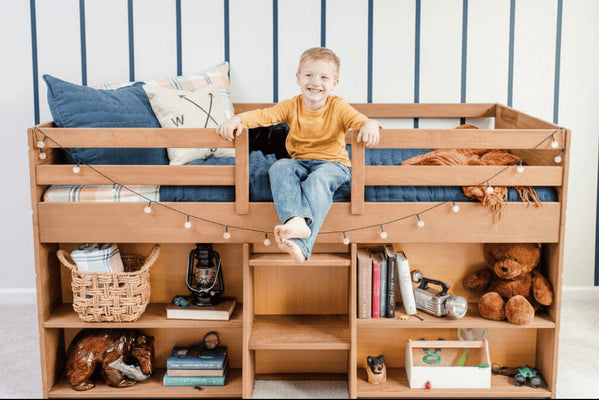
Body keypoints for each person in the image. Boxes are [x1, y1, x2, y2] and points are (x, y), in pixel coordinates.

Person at [217, 47, 380, 262]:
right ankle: (295, 219)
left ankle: (302, 246)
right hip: (300, 161)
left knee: (317, 180)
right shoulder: (292, 105)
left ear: (334, 83)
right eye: (309, 75)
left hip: (332, 164)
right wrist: (238, 120)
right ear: (298, 78)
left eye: (324, 77)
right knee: (278, 167)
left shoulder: (338, 107)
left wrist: (370, 125)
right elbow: (265, 115)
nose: (316, 82)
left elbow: (362, 121)